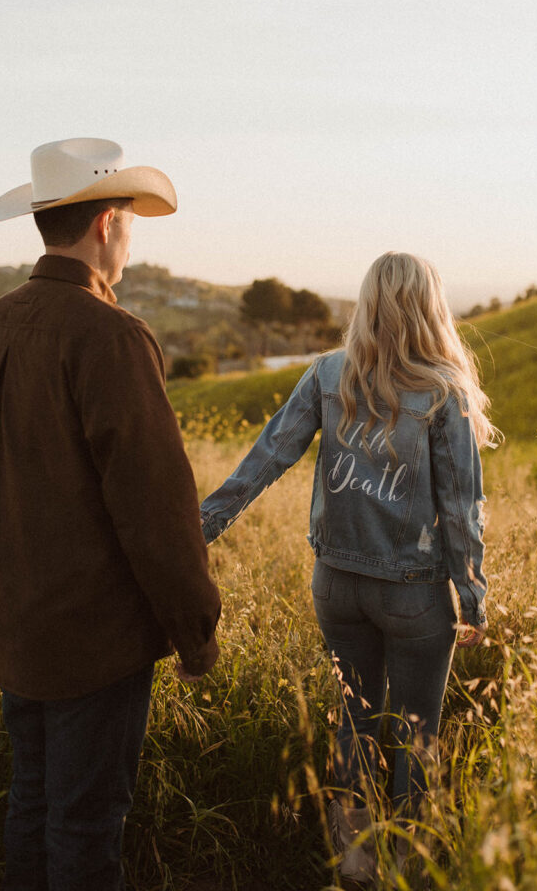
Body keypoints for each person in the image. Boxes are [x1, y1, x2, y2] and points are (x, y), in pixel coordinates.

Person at [0, 138, 221, 891]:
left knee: (34, 803)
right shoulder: (110, 337)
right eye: (131, 220)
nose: (132, 237)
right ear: (106, 223)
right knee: (84, 824)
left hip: (13, 621)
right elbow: (157, 514)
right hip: (90, 636)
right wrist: (195, 633)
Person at [200, 251, 496, 884]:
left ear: (366, 305)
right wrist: (471, 596)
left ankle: (353, 867)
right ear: (430, 308)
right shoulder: (444, 390)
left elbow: (266, 458)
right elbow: (462, 509)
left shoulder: (328, 374)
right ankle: (410, 871)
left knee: (353, 720)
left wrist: (203, 527)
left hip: (334, 584)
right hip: (414, 593)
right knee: (417, 735)